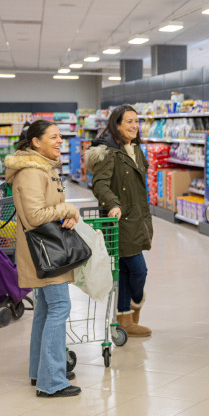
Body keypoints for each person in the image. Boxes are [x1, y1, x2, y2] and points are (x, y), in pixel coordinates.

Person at [4, 120, 81, 398]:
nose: (60, 141)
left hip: (43, 251)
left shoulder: (41, 167)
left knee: (46, 310)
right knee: (59, 307)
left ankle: (41, 371)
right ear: (36, 142)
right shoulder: (31, 172)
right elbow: (36, 216)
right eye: (54, 137)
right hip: (46, 253)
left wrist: (65, 213)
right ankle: (52, 381)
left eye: (61, 136)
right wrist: (68, 208)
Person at [88, 105, 153, 338]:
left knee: (125, 271)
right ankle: (136, 303)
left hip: (138, 218)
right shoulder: (108, 152)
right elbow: (100, 184)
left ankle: (124, 318)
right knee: (139, 270)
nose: (135, 126)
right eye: (129, 122)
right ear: (117, 125)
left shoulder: (135, 149)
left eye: (137, 121)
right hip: (120, 221)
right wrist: (112, 204)